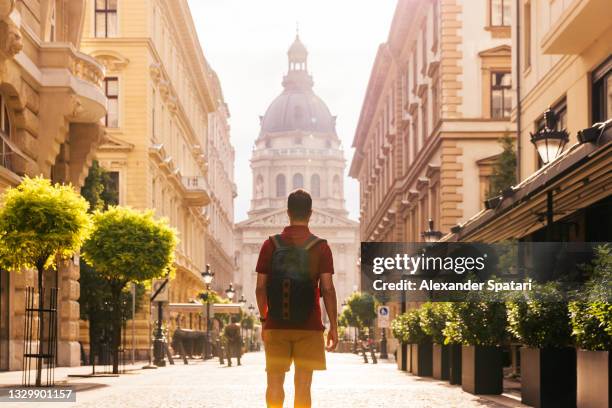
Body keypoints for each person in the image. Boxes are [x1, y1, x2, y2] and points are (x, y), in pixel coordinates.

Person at [255, 189, 338, 408]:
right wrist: (334, 327)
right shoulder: (321, 247)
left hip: (276, 325)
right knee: (303, 387)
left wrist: (264, 320)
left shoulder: (270, 245)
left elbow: (260, 289)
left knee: (274, 384)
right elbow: (328, 289)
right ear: (310, 213)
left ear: (287, 212)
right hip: (309, 326)